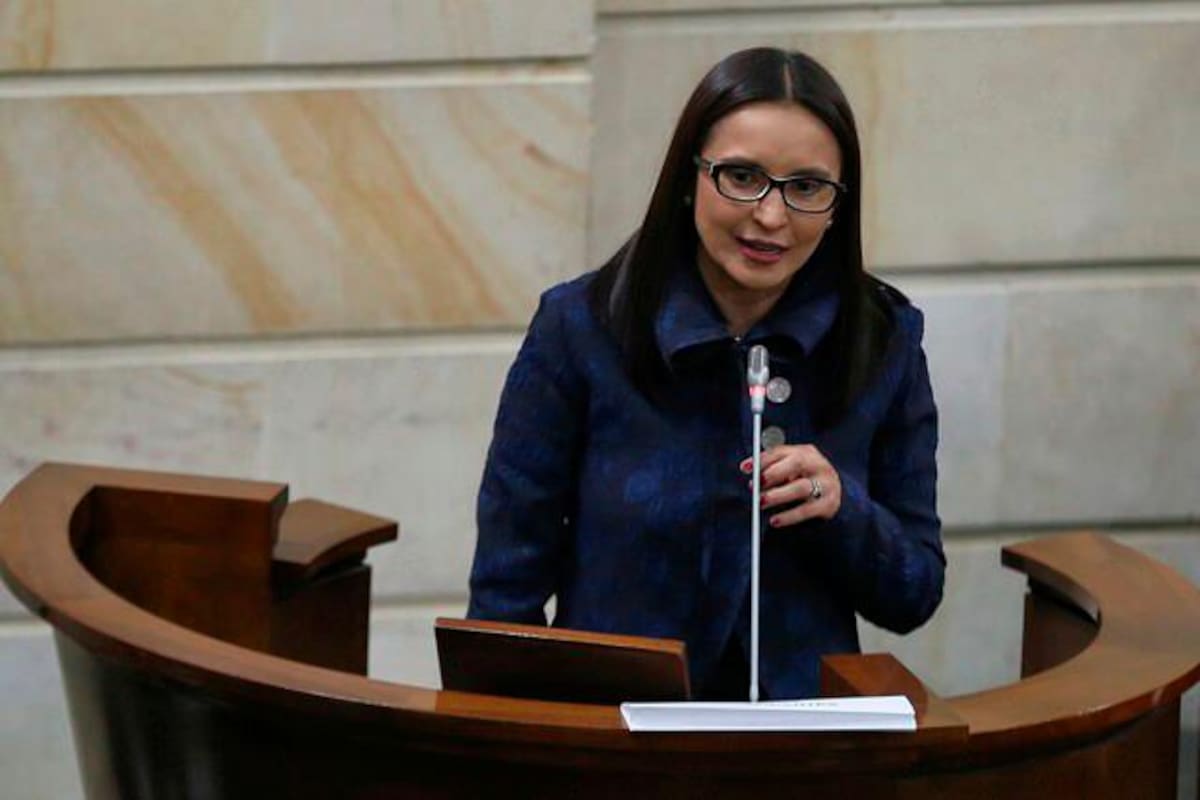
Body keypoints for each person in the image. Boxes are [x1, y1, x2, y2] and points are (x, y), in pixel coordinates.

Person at [467, 47, 944, 700]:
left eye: (806, 188)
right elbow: (506, 589)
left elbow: (915, 593)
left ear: (838, 206)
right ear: (690, 176)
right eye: (742, 176)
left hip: (797, 750)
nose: (770, 217)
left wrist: (845, 510)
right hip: (615, 741)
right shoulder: (579, 326)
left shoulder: (886, 339)